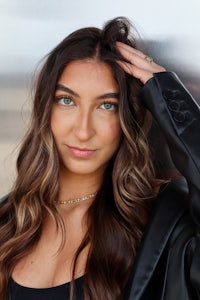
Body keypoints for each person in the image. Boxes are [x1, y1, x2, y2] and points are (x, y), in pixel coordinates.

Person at [0, 17, 199, 300]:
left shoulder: (167, 224)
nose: (83, 131)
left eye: (107, 105)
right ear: (46, 110)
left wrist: (173, 101)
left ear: (126, 119)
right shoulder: (9, 221)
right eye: (67, 100)